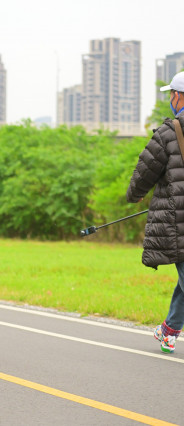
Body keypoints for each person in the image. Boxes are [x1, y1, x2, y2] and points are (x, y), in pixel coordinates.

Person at [127, 71, 184, 353]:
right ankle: (169, 331)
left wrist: (134, 195)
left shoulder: (168, 133)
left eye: (171, 94)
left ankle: (168, 330)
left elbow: (145, 170)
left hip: (177, 222)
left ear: (178, 97)